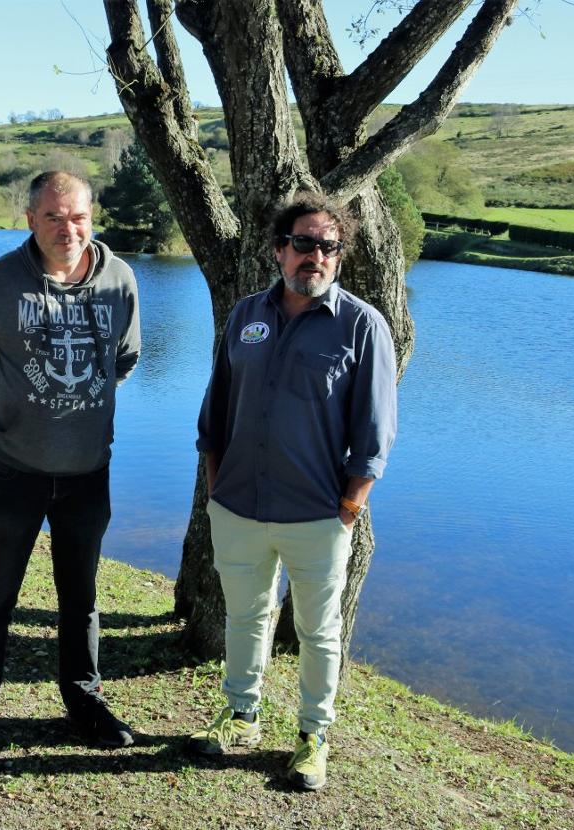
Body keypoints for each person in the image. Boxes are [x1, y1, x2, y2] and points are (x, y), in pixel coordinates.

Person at [188, 192, 398, 791]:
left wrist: (351, 505)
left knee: (317, 629)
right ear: (280, 250)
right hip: (238, 506)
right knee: (246, 616)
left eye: (328, 246)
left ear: (339, 256)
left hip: (317, 514)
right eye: (303, 243)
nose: (315, 256)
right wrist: (214, 485)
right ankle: (242, 714)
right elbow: (217, 405)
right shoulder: (246, 316)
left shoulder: (363, 326)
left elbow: (376, 431)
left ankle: (313, 735)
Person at [0, 171, 142, 767]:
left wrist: (75, 414)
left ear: (93, 216)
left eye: (78, 216)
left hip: (88, 473)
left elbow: (124, 359)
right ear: (30, 219)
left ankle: (83, 701)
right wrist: (13, 413)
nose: (68, 228)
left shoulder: (120, 280)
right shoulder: (0, 282)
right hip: (14, 471)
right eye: (54, 217)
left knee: (80, 597)